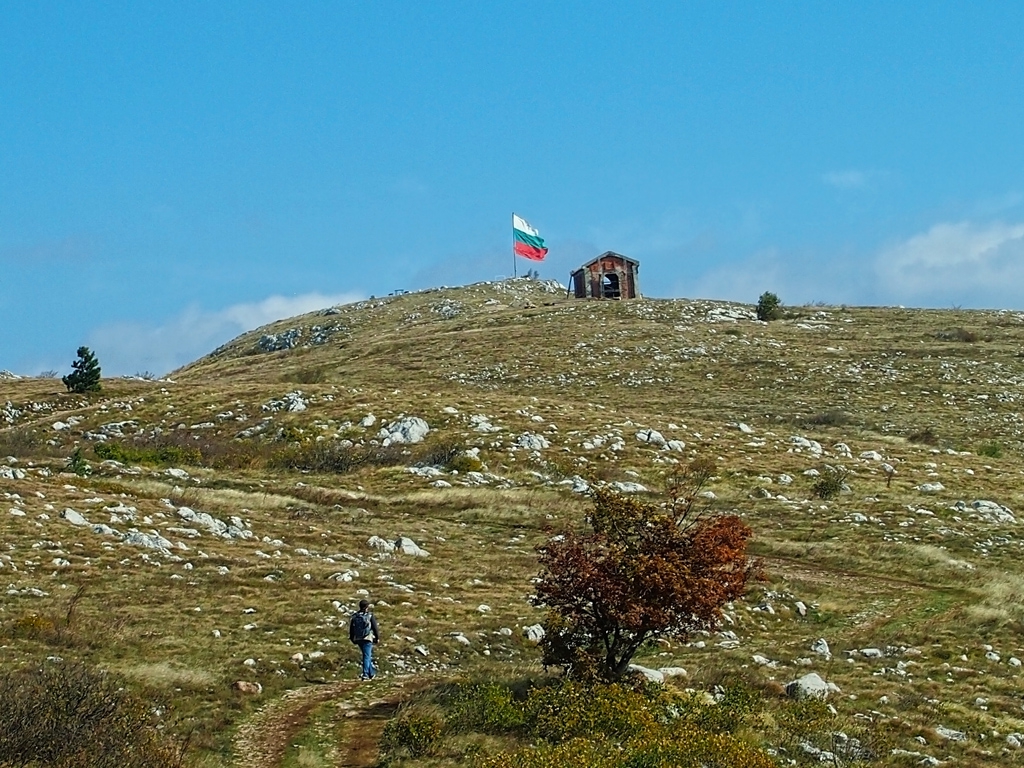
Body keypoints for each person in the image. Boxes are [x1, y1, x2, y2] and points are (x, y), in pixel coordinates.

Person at [349, 599, 380, 680]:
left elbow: (351, 628)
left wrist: (352, 638)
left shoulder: (355, 616)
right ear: (367, 607)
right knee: (367, 656)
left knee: (366, 655)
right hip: (367, 638)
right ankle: (365, 674)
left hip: (358, 638)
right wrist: (377, 637)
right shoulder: (369, 615)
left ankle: (371, 673)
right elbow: (375, 627)